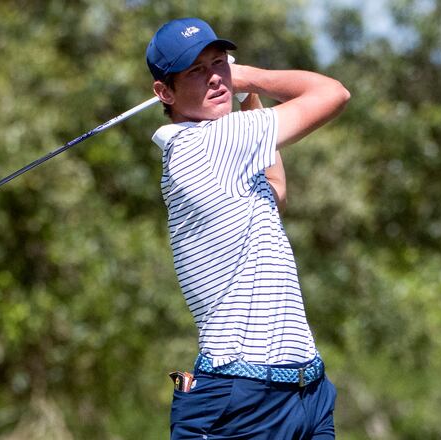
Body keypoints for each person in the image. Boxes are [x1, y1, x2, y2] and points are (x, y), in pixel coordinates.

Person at [146, 17, 350, 440]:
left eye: (219, 62)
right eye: (196, 71)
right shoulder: (208, 142)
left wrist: (249, 98)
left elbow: (275, 189)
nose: (216, 79)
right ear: (164, 92)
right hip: (241, 402)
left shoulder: (227, 152)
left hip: (306, 392)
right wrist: (246, 77)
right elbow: (333, 93)